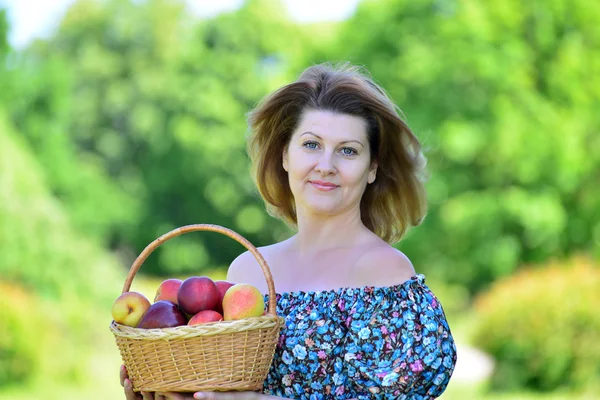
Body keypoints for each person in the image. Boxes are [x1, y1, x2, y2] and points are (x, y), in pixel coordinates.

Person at [121, 62, 457, 400]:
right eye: (311, 145)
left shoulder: (385, 272)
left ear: (372, 169)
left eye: (348, 150)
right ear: (284, 156)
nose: (326, 165)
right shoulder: (247, 271)